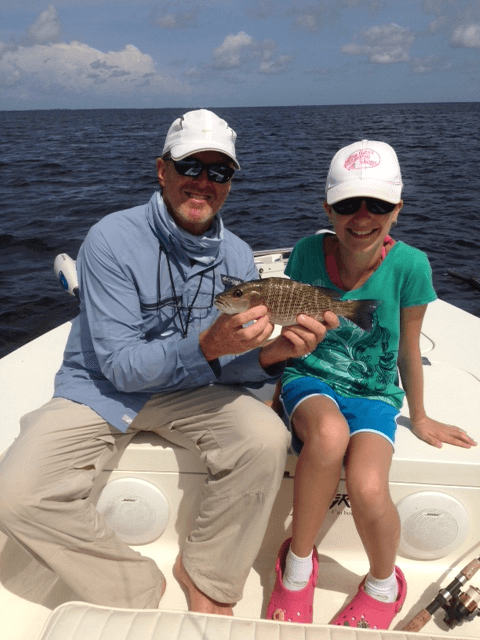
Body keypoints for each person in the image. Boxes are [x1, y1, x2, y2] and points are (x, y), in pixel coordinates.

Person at [0, 109, 336, 616]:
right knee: (15, 494)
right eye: (190, 167)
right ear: (163, 171)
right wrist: (206, 347)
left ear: (230, 183)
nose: (204, 182)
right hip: (100, 388)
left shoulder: (239, 258)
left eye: (219, 172)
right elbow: (120, 368)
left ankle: (208, 573)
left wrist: (272, 355)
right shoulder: (111, 239)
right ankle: (131, 586)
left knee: (265, 438)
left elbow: (235, 366)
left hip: (192, 389)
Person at [266, 140, 477, 628]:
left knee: (367, 486)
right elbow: (295, 333)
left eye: (378, 204)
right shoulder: (304, 252)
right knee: (329, 434)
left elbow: (407, 349)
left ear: (397, 210)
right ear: (328, 209)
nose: (362, 217)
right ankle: (297, 565)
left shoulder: (411, 266)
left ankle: (384, 583)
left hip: (375, 394)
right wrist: (274, 397)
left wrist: (419, 417)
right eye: (347, 204)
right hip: (311, 378)